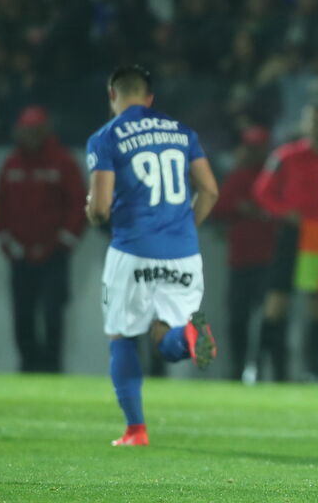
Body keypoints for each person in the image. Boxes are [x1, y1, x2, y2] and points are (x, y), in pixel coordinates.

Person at [85, 65, 220, 447]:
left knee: (123, 336)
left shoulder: (106, 137)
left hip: (133, 250)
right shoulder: (182, 133)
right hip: (183, 254)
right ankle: (190, 335)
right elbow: (210, 191)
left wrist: (91, 210)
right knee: (165, 337)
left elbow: (101, 209)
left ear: (113, 95)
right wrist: (184, 229)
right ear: (150, 98)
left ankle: (136, 430)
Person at [253, 104, 318, 382]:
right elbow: (262, 192)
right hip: (291, 234)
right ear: (305, 124)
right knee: (277, 300)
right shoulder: (286, 156)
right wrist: (285, 212)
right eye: (313, 121)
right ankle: (260, 366)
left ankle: (314, 369)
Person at [0, 105, 86, 372]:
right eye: (26, 131)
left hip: (53, 256)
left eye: (34, 131)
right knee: (22, 314)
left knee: (53, 312)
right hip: (20, 255)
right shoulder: (12, 164)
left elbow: (78, 205)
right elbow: (0, 208)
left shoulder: (63, 163)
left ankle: (52, 367)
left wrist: (62, 243)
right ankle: (28, 366)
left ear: (45, 131)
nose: (30, 137)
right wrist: (9, 244)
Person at [212, 126, 278, 381]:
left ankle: (258, 367)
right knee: (238, 318)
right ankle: (237, 367)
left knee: (266, 320)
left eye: (256, 148)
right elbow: (219, 208)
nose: (252, 152)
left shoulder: (273, 176)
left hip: (268, 258)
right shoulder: (238, 176)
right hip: (241, 259)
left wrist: (253, 209)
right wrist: (241, 207)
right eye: (249, 147)